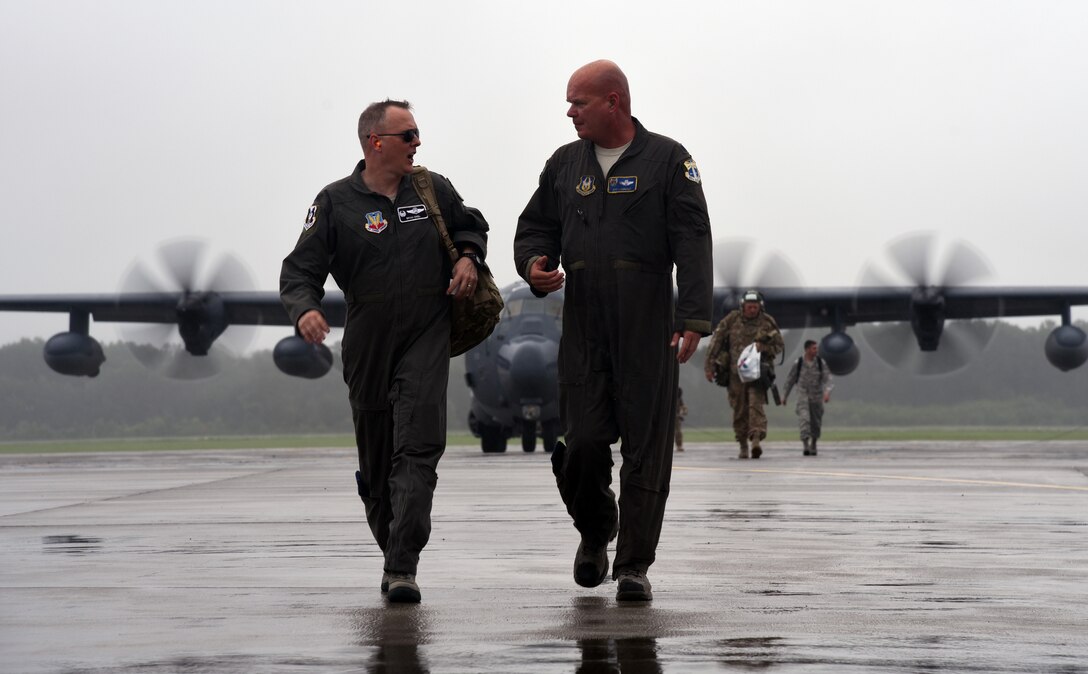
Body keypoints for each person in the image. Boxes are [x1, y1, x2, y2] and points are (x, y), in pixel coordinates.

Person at [514, 60, 714, 602]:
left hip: (647, 324)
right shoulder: (564, 164)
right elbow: (536, 226)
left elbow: (692, 239)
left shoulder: (669, 161)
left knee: (646, 451)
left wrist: (693, 318)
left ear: (613, 101)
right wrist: (534, 262)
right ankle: (596, 529)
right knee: (580, 444)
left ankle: (633, 567)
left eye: (578, 102)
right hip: (584, 325)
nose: (570, 112)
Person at [280, 99, 490, 604]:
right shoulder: (335, 202)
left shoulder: (431, 188)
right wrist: (305, 309)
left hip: (426, 330)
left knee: (418, 450)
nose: (418, 143)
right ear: (376, 142)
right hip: (368, 338)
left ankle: (403, 566)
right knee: (377, 467)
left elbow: (471, 224)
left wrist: (467, 258)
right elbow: (299, 269)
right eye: (409, 135)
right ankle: (392, 552)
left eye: (418, 134)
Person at [703, 290, 784, 459]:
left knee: (756, 405)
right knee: (739, 409)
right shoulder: (731, 320)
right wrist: (709, 366)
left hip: (757, 373)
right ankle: (742, 444)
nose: (752, 310)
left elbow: (779, 346)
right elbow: (716, 342)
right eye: (749, 307)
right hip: (735, 374)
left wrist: (765, 348)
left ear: (759, 307)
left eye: (755, 307)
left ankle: (755, 439)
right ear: (742, 306)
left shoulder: (767, 322)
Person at [782, 339, 833, 456]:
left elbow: (828, 379)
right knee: (804, 419)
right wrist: (784, 396)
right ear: (807, 349)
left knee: (816, 422)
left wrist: (827, 392)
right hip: (802, 395)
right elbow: (790, 380)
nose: (816, 350)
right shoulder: (798, 363)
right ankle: (805, 444)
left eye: (817, 348)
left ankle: (814, 443)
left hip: (816, 396)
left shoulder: (821, 363)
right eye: (814, 348)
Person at [675, 387, 688, 452]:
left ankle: (679, 446)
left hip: (677, 418)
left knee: (678, 432)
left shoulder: (679, 399)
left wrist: (683, 413)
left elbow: (683, 407)